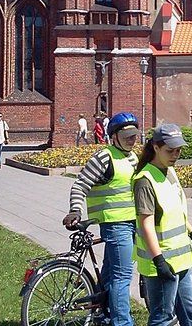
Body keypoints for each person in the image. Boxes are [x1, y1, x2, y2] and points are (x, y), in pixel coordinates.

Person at [62, 112, 141, 326]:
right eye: (127, 137)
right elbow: (80, 185)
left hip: (131, 222)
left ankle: (104, 315)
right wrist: (75, 211)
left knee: (110, 275)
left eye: (134, 135)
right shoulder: (104, 157)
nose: (132, 140)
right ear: (114, 137)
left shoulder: (132, 156)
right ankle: (122, 322)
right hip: (116, 224)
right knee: (122, 277)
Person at [133, 124, 192, 326]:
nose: (175, 155)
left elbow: (176, 210)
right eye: (170, 151)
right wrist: (159, 261)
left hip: (181, 259)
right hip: (162, 263)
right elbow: (146, 224)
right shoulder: (145, 180)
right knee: (162, 319)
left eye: (178, 150)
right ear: (156, 147)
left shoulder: (169, 171)